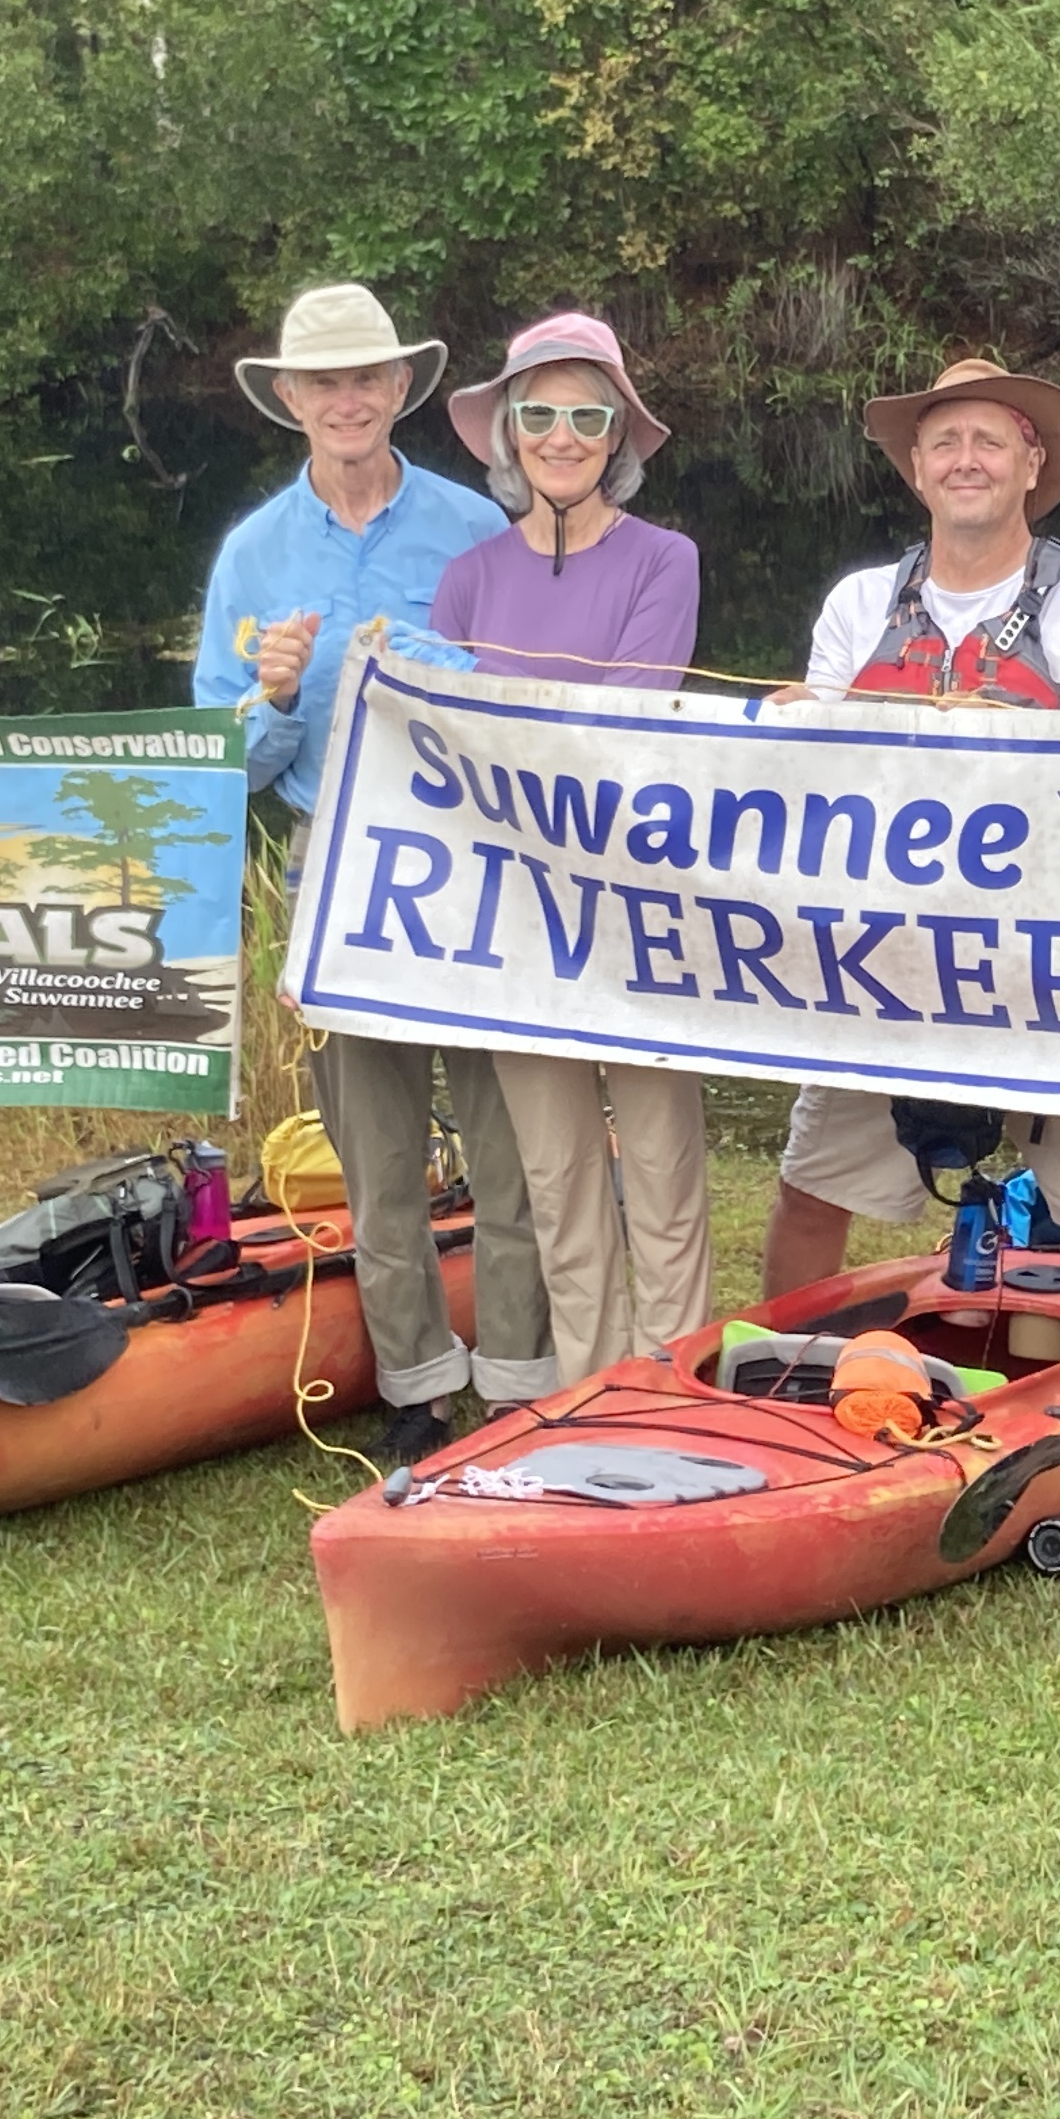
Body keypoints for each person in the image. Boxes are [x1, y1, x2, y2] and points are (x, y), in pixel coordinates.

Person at [191, 284, 549, 1459]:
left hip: (475, 860)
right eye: (322, 383)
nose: (346, 401)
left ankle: (519, 1381)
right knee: (375, 1150)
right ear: (287, 399)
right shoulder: (252, 555)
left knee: (506, 1135)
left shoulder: (479, 528)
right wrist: (277, 697)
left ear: (401, 389)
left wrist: (452, 669)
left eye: (367, 379)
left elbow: (535, 706)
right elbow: (226, 767)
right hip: (332, 863)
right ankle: (413, 1392)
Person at [760, 357, 1060, 1292]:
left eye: (989, 440)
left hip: (1050, 963)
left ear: (1030, 464)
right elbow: (810, 776)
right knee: (811, 1188)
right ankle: (776, 1383)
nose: (965, 459)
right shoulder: (859, 604)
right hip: (880, 959)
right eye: (945, 442)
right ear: (917, 469)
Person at [428, 311, 716, 1375]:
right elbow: (441, 753)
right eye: (538, 413)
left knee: (665, 1167)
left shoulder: (666, 560)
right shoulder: (466, 579)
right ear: (508, 431)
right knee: (556, 1179)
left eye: (587, 414)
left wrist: (495, 723)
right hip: (513, 916)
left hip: (639, 909)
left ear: (617, 436)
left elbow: (623, 715)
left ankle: (677, 1384)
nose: (561, 435)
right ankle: (593, 1389)